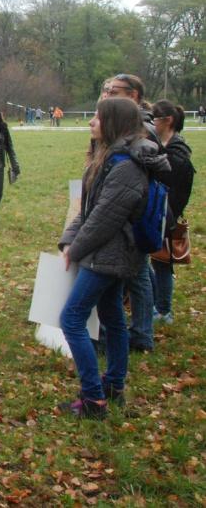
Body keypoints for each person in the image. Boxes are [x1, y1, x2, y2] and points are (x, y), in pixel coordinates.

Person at [57, 97, 158, 418]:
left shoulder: (126, 166)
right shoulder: (111, 158)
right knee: (113, 317)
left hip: (109, 255)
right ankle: (113, 384)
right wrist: (68, 239)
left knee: (71, 318)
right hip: (106, 253)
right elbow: (88, 211)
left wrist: (77, 249)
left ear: (113, 123)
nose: (91, 122)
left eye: (98, 118)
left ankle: (93, 399)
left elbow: (104, 219)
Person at [99, 74, 166, 352]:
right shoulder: (124, 120)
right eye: (107, 90)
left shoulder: (142, 128)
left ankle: (141, 334)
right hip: (126, 208)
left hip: (132, 212)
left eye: (114, 90)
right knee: (139, 273)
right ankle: (140, 332)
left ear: (134, 95)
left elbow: (138, 174)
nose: (108, 94)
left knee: (137, 275)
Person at [149, 100, 196, 325]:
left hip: (165, 216)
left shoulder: (177, 155)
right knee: (153, 262)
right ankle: (155, 304)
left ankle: (163, 309)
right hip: (154, 213)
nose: (150, 122)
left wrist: (166, 217)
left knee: (162, 262)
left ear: (167, 121)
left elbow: (179, 194)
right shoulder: (160, 146)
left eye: (153, 118)